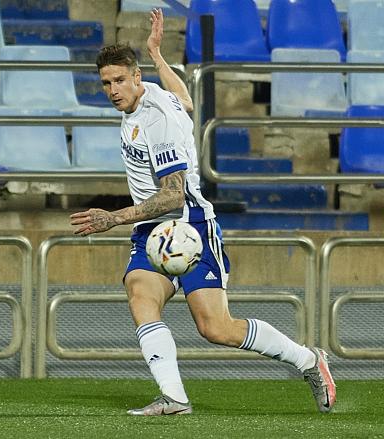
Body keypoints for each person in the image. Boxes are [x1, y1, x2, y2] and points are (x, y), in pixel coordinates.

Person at [70, 8, 335, 416]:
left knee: (216, 328)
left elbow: (174, 196)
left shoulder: (156, 121)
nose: (112, 90)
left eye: (120, 80)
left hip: (189, 227)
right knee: (140, 293)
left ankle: (308, 361)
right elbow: (186, 100)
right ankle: (174, 398)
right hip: (150, 233)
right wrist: (158, 55)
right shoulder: (151, 97)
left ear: (135, 77)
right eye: (106, 83)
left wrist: (113, 217)